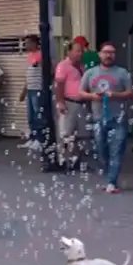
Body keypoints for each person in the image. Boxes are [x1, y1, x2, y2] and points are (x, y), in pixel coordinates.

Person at [80, 42, 133, 194]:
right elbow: (81, 92)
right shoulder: (90, 73)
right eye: (105, 52)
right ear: (99, 54)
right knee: (101, 150)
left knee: (116, 151)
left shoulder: (122, 73)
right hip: (98, 118)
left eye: (111, 52)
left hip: (118, 119)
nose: (108, 55)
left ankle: (112, 182)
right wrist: (93, 96)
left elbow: (131, 93)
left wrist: (115, 95)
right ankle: (109, 178)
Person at [53, 42, 89, 171]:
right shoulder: (63, 66)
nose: (80, 54)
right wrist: (60, 102)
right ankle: (63, 161)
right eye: (77, 51)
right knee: (66, 133)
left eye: (81, 51)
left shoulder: (82, 67)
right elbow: (59, 84)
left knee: (81, 134)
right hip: (69, 102)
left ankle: (77, 161)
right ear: (69, 52)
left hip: (81, 103)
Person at [17, 34, 45, 149]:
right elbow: (28, 75)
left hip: (38, 88)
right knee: (31, 116)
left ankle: (40, 139)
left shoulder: (41, 55)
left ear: (35, 43)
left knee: (39, 115)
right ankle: (33, 138)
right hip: (30, 89)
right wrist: (24, 91)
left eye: (28, 43)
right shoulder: (29, 56)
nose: (26, 45)